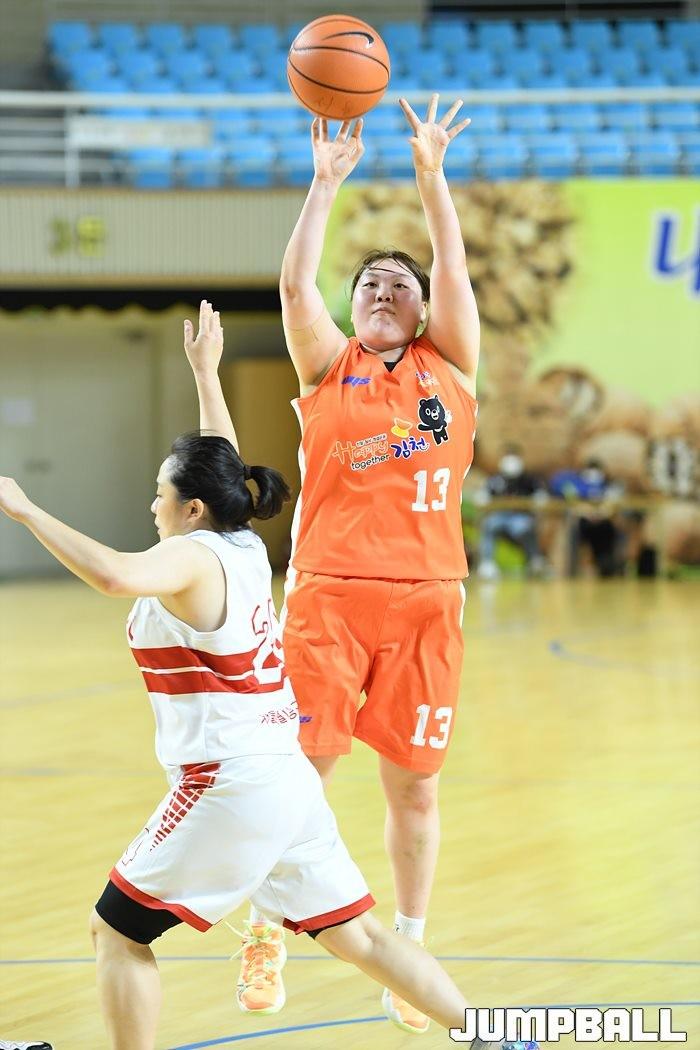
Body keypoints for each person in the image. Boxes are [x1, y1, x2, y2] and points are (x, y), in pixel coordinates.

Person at [0, 304, 538, 1050]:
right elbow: (222, 458)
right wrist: (205, 374)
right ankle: (497, 1037)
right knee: (364, 940)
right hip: (283, 778)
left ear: (191, 508)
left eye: (160, 492)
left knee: (117, 931)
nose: (151, 502)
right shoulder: (242, 544)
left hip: (227, 782)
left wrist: (24, 509)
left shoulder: (189, 558)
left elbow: (116, 576)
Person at [192, 94, 480, 1034]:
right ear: (351, 309)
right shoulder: (328, 367)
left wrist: (432, 178)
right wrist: (324, 186)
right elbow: (293, 288)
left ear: (426, 309)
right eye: (369, 284)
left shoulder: (452, 368)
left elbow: (453, 267)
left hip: (429, 601)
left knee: (416, 786)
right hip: (328, 597)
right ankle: (265, 930)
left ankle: (410, 949)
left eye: (400, 283)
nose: (383, 290)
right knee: (300, 776)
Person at [476, 445, 548, 580]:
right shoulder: (495, 479)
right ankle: (487, 563)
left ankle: (534, 560)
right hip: (500, 517)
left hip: (520, 517)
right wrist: (483, 497)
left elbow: (540, 495)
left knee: (525, 528)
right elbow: (485, 494)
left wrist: (539, 498)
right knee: (488, 524)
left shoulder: (529, 480)